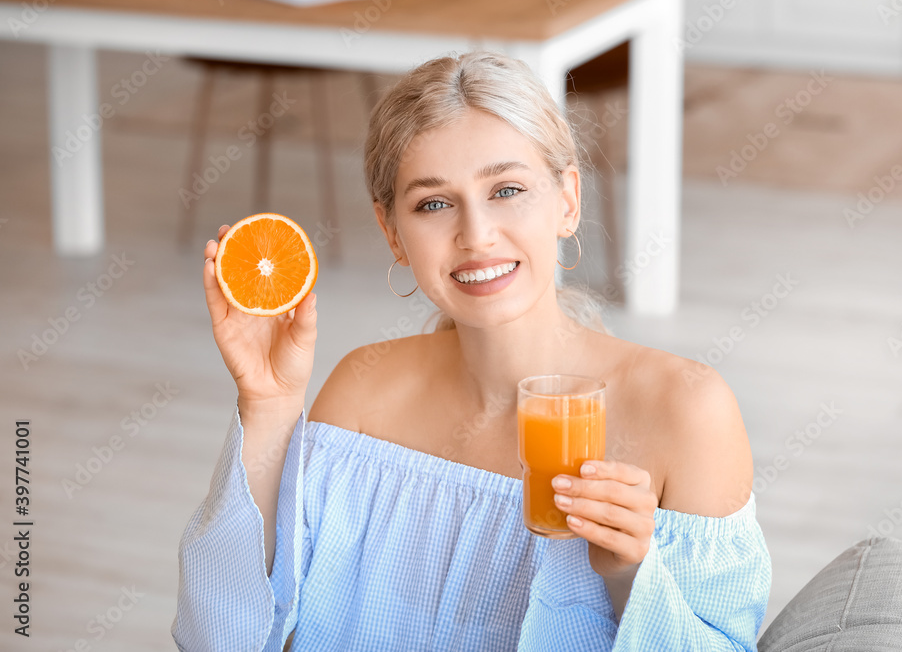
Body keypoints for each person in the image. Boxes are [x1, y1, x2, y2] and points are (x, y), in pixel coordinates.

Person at [172, 50, 771, 651]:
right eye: (433, 204)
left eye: (507, 189)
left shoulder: (686, 412)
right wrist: (269, 407)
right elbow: (219, 636)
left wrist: (628, 574)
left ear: (568, 200)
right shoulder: (362, 394)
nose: (476, 235)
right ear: (392, 232)